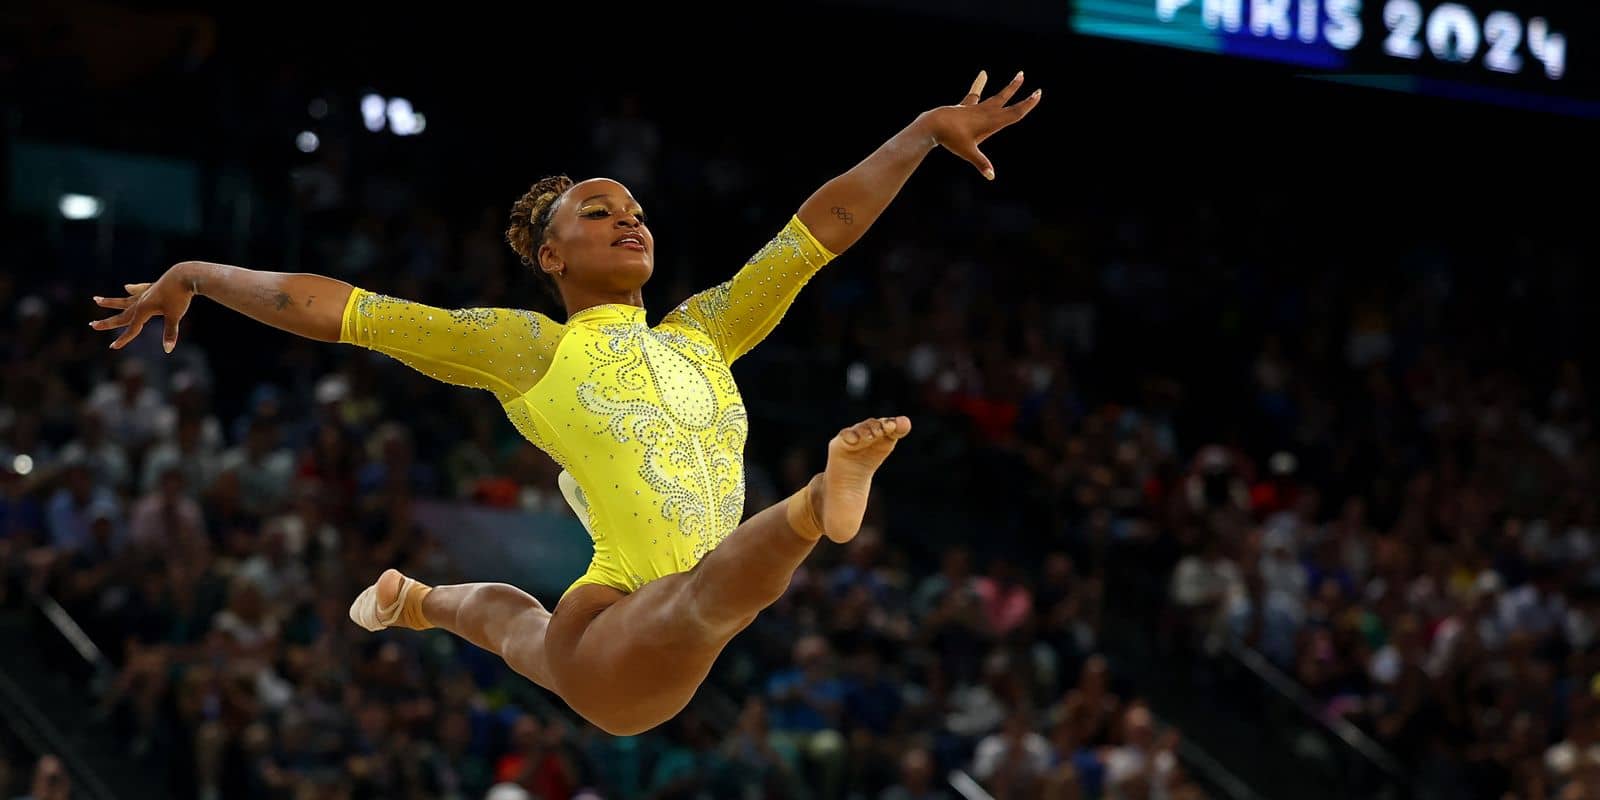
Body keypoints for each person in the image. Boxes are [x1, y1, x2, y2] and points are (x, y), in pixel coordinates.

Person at [91, 71, 1041, 735]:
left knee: (514, 627)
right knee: (693, 600)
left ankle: (412, 601)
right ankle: (817, 506)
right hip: (630, 632)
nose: (628, 217)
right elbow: (337, 308)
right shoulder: (529, 351)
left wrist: (920, 132)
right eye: (597, 211)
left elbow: (817, 229)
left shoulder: (702, 331)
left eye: (634, 208)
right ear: (550, 256)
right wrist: (198, 273)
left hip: (632, 634)